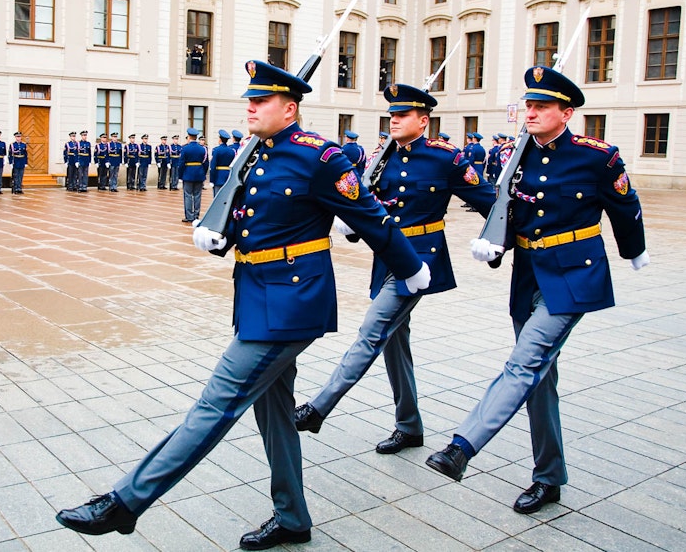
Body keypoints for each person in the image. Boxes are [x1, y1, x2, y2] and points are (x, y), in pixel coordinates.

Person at [56, 59, 431, 550]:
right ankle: (293, 517)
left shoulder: (321, 158)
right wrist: (221, 235)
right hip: (257, 295)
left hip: (293, 302)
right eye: (249, 99)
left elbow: (372, 217)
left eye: (261, 100)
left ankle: (126, 502)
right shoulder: (256, 153)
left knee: (215, 404)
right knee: (273, 413)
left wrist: (410, 269)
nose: (250, 106)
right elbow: (250, 214)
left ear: (290, 108)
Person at [425, 66, 649, 515]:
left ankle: (462, 447)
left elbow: (626, 205)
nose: (531, 112)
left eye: (542, 106)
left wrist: (634, 250)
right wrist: (496, 245)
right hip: (528, 273)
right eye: (529, 105)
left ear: (566, 113)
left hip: (573, 275)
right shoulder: (515, 155)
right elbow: (512, 211)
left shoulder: (597, 157)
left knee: (525, 361)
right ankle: (549, 478)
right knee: (539, 379)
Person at [294, 83, 495, 453]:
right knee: (393, 345)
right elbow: (368, 202)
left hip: (420, 259)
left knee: (372, 331)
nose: (395, 120)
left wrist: (498, 241)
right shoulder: (382, 155)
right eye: (392, 115)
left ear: (423, 121)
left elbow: (490, 203)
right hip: (384, 258)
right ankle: (410, 426)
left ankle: (320, 407)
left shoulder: (445, 158)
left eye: (403, 115)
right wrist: (351, 224)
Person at [178, 127, 208, 223]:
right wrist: (203, 173)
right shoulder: (203, 149)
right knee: (197, 195)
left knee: (188, 195)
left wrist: (180, 175)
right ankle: (196, 215)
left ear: (189, 137)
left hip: (188, 174)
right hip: (199, 174)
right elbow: (206, 163)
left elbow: (181, 163)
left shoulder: (185, 148)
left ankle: (189, 216)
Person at [209, 129, 235, 197]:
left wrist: (212, 179)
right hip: (227, 175)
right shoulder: (232, 151)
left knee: (217, 197)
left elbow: (213, 165)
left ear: (220, 139)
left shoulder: (216, 150)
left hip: (218, 176)